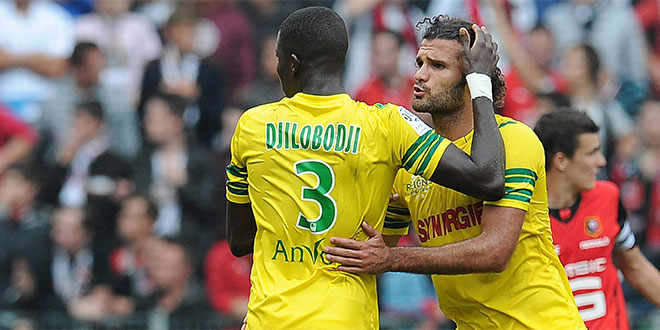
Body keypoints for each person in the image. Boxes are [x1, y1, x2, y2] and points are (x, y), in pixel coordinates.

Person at [226, 7, 506, 329]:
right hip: (347, 319)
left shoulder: (253, 126)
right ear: (342, 60)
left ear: (291, 63)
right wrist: (480, 81)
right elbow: (488, 176)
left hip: (271, 319)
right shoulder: (386, 125)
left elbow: (241, 240)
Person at [323, 15, 586, 329]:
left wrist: (393, 260)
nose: (420, 75)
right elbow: (378, 243)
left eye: (437, 66)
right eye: (420, 63)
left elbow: (495, 252)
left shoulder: (515, 141)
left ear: (472, 81)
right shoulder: (411, 166)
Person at [534, 109, 660, 329]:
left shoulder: (608, 198)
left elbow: (635, 267)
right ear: (561, 161)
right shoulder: (523, 217)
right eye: (592, 153)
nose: (601, 162)